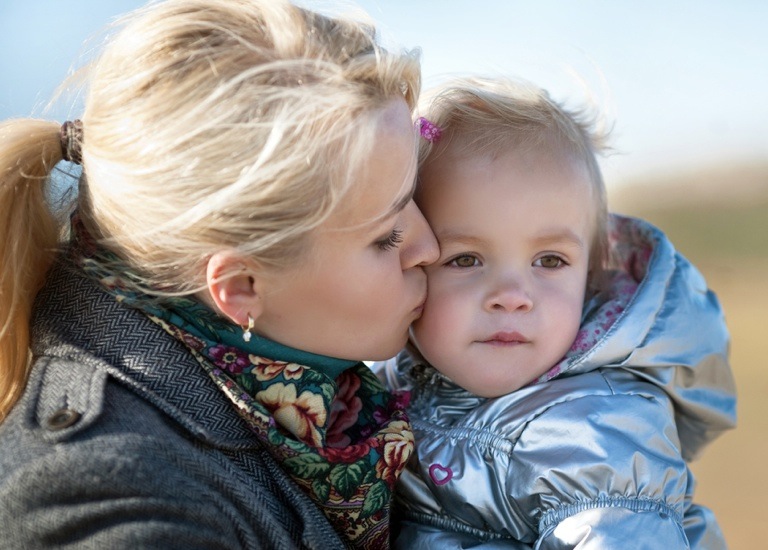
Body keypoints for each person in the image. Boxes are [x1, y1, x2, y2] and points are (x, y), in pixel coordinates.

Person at [0, 1, 440, 548]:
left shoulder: (310, 386)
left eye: (414, 195)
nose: (431, 247)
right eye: (386, 237)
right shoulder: (112, 500)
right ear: (240, 288)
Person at [378, 77, 737, 549]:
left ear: (590, 276)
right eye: (465, 259)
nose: (512, 296)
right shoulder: (382, 380)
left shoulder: (593, 432)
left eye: (550, 261)